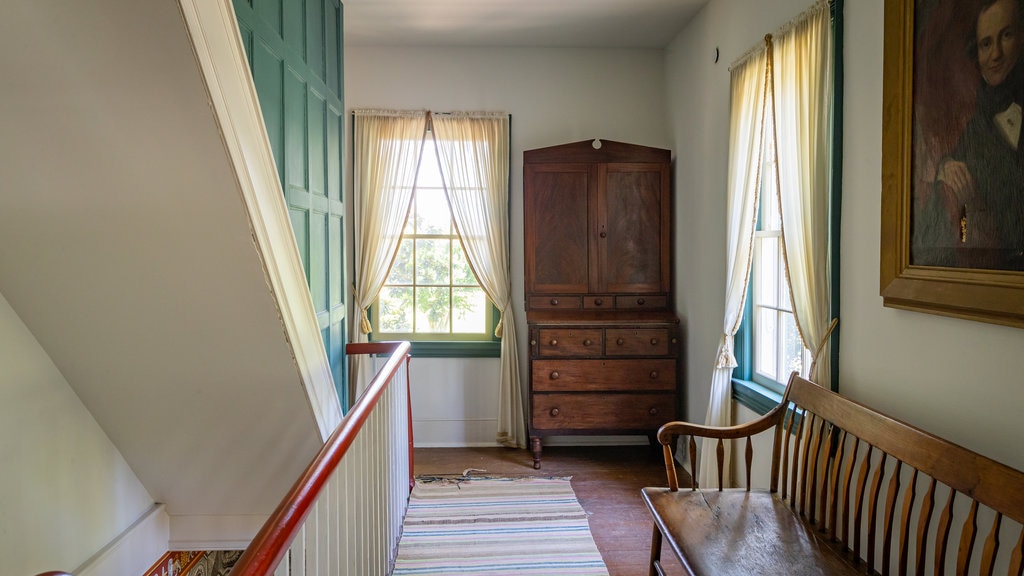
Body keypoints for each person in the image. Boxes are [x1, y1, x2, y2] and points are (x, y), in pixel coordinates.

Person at [913, 0, 1024, 270]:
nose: (995, 54)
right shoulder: (972, 133)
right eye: (986, 44)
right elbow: (960, 230)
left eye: (1006, 36)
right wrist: (943, 169)